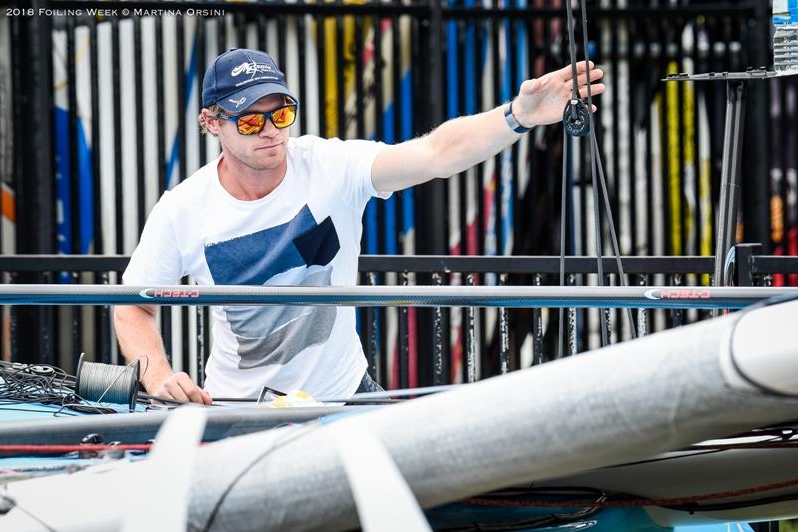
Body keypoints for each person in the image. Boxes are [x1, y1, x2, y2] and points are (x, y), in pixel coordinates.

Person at [114, 48, 605, 405]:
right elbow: (132, 304)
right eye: (249, 121)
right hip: (237, 407)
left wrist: (518, 116)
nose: (270, 131)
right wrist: (156, 374)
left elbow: (435, 153)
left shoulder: (330, 165)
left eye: (281, 113)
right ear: (210, 122)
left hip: (345, 398)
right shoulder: (184, 208)